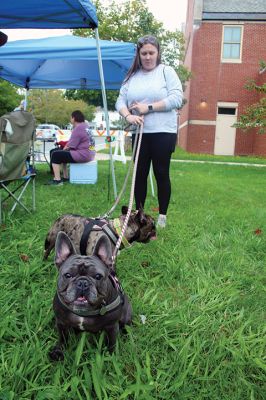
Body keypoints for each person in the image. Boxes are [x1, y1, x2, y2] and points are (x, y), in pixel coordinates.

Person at [115, 35, 183, 228]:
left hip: (163, 132)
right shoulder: (131, 77)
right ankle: (140, 214)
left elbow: (177, 99)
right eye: (143, 53)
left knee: (161, 172)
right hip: (140, 133)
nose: (147, 57)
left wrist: (149, 108)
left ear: (158, 53)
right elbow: (120, 101)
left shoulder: (166, 72)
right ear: (138, 54)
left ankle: (162, 216)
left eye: (151, 53)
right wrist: (128, 116)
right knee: (140, 174)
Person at [47, 110, 96, 186]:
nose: (70, 119)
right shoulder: (86, 126)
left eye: (71, 117)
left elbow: (70, 145)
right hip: (90, 153)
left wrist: (62, 150)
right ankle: (65, 177)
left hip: (83, 155)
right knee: (61, 153)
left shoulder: (78, 128)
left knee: (55, 154)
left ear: (74, 118)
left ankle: (57, 180)